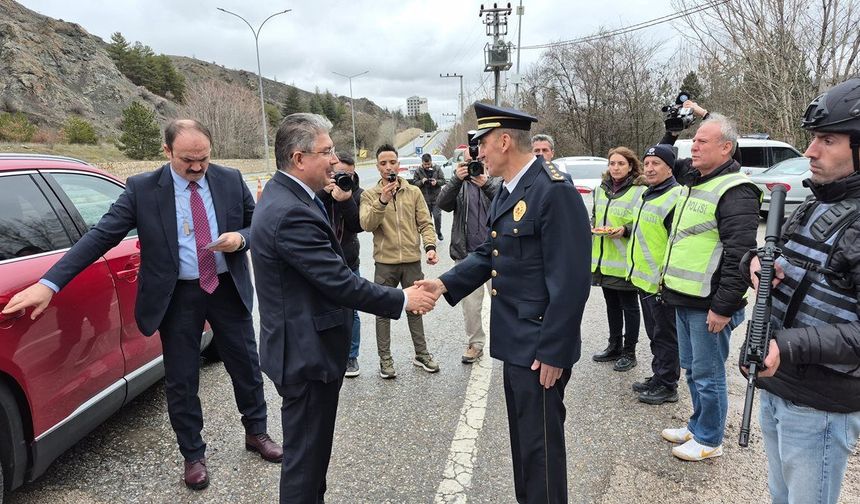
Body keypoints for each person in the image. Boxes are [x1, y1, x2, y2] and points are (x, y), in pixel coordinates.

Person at [1, 119, 281, 490]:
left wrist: (240, 240)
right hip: (177, 296)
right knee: (182, 380)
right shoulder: (143, 189)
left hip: (225, 287)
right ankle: (193, 454)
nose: (197, 167)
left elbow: (255, 224)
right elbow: (99, 237)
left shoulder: (229, 179)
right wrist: (49, 284)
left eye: (203, 158)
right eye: (187, 160)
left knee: (246, 364)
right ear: (166, 153)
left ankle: (257, 431)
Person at [250, 113, 436, 503]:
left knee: (312, 460)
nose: (335, 161)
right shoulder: (291, 211)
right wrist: (402, 298)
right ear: (299, 158)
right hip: (306, 355)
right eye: (327, 152)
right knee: (305, 465)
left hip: (303, 348)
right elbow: (339, 281)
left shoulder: (293, 197)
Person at [418, 102, 591, 503]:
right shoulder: (510, 190)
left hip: (539, 348)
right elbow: (488, 254)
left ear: (505, 141)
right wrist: (444, 285)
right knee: (525, 442)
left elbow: (571, 283)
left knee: (541, 449)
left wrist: (555, 351)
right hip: (517, 342)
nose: (477, 153)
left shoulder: (552, 192)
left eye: (481, 144)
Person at [744, 78, 860, 504]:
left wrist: (787, 346)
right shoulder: (815, 204)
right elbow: (787, 260)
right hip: (779, 385)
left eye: (828, 140)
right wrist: (753, 263)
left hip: (822, 403)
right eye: (813, 138)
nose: (810, 151)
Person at [657, 111, 761, 461]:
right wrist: (671, 135)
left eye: (702, 141)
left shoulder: (736, 190)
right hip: (685, 298)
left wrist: (723, 307)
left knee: (709, 373)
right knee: (693, 368)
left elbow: (740, 256)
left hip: (709, 304)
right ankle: (697, 423)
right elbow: (668, 161)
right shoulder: (698, 178)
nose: (694, 146)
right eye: (694, 139)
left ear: (726, 148)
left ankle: (710, 439)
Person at [360, 144, 440, 378]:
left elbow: (425, 223)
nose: (388, 167)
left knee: (416, 309)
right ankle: (385, 360)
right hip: (385, 263)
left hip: (412, 261)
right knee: (382, 311)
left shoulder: (413, 192)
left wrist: (430, 247)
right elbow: (366, 224)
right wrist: (382, 201)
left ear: (398, 164)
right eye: (383, 163)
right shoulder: (369, 195)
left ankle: (421, 354)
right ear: (377, 167)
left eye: (392, 162)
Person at [625, 144, 682, 404]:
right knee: (655, 333)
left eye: (656, 164)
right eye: (647, 163)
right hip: (644, 279)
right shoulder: (649, 193)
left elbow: (676, 243)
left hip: (661, 282)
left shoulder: (674, 196)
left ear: (670, 168)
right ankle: (659, 375)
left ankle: (668, 384)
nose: (649, 168)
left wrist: (665, 279)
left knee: (665, 335)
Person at [436, 150, 502, 363]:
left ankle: (508, 342)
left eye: (479, 160)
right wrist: (456, 179)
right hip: (467, 254)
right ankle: (475, 344)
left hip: (497, 253)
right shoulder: (459, 185)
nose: (474, 166)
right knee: (471, 307)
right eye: (469, 162)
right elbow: (442, 204)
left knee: (505, 301)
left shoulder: (497, 180)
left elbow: (507, 201)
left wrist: (485, 183)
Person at [590, 147, 646, 372]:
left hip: (626, 262)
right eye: (612, 163)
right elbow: (596, 215)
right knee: (611, 305)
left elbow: (643, 222)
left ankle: (629, 352)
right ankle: (614, 345)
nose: (615, 168)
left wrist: (625, 229)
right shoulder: (600, 189)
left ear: (631, 166)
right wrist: (594, 227)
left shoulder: (639, 190)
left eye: (621, 163)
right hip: (604, 261)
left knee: (629, 307)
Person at [316, 152, 364, 377]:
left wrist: (346, 200)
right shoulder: (319, 192)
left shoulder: (357, 194)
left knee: (351, 312)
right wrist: (325, 195)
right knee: (322, 310)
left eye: (350, 175)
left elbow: (357, 225)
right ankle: (325, 354)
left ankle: (351, 357)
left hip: (349, 260)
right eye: (340, 175)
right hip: (324, 262)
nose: (345, 179)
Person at [412, 152, 447, 240]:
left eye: (428, 164)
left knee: (437, 216)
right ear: (422, 163)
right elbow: (414, 183)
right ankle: (429, 237)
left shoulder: (437, 168)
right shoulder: (418, 171)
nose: (427, 166)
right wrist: (421, 182)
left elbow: (443, 180)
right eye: (425, 164)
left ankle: (438, 232)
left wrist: (437, 182)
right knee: (427, 220)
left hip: (436, 198)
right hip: (424, 199)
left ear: (431, 161)